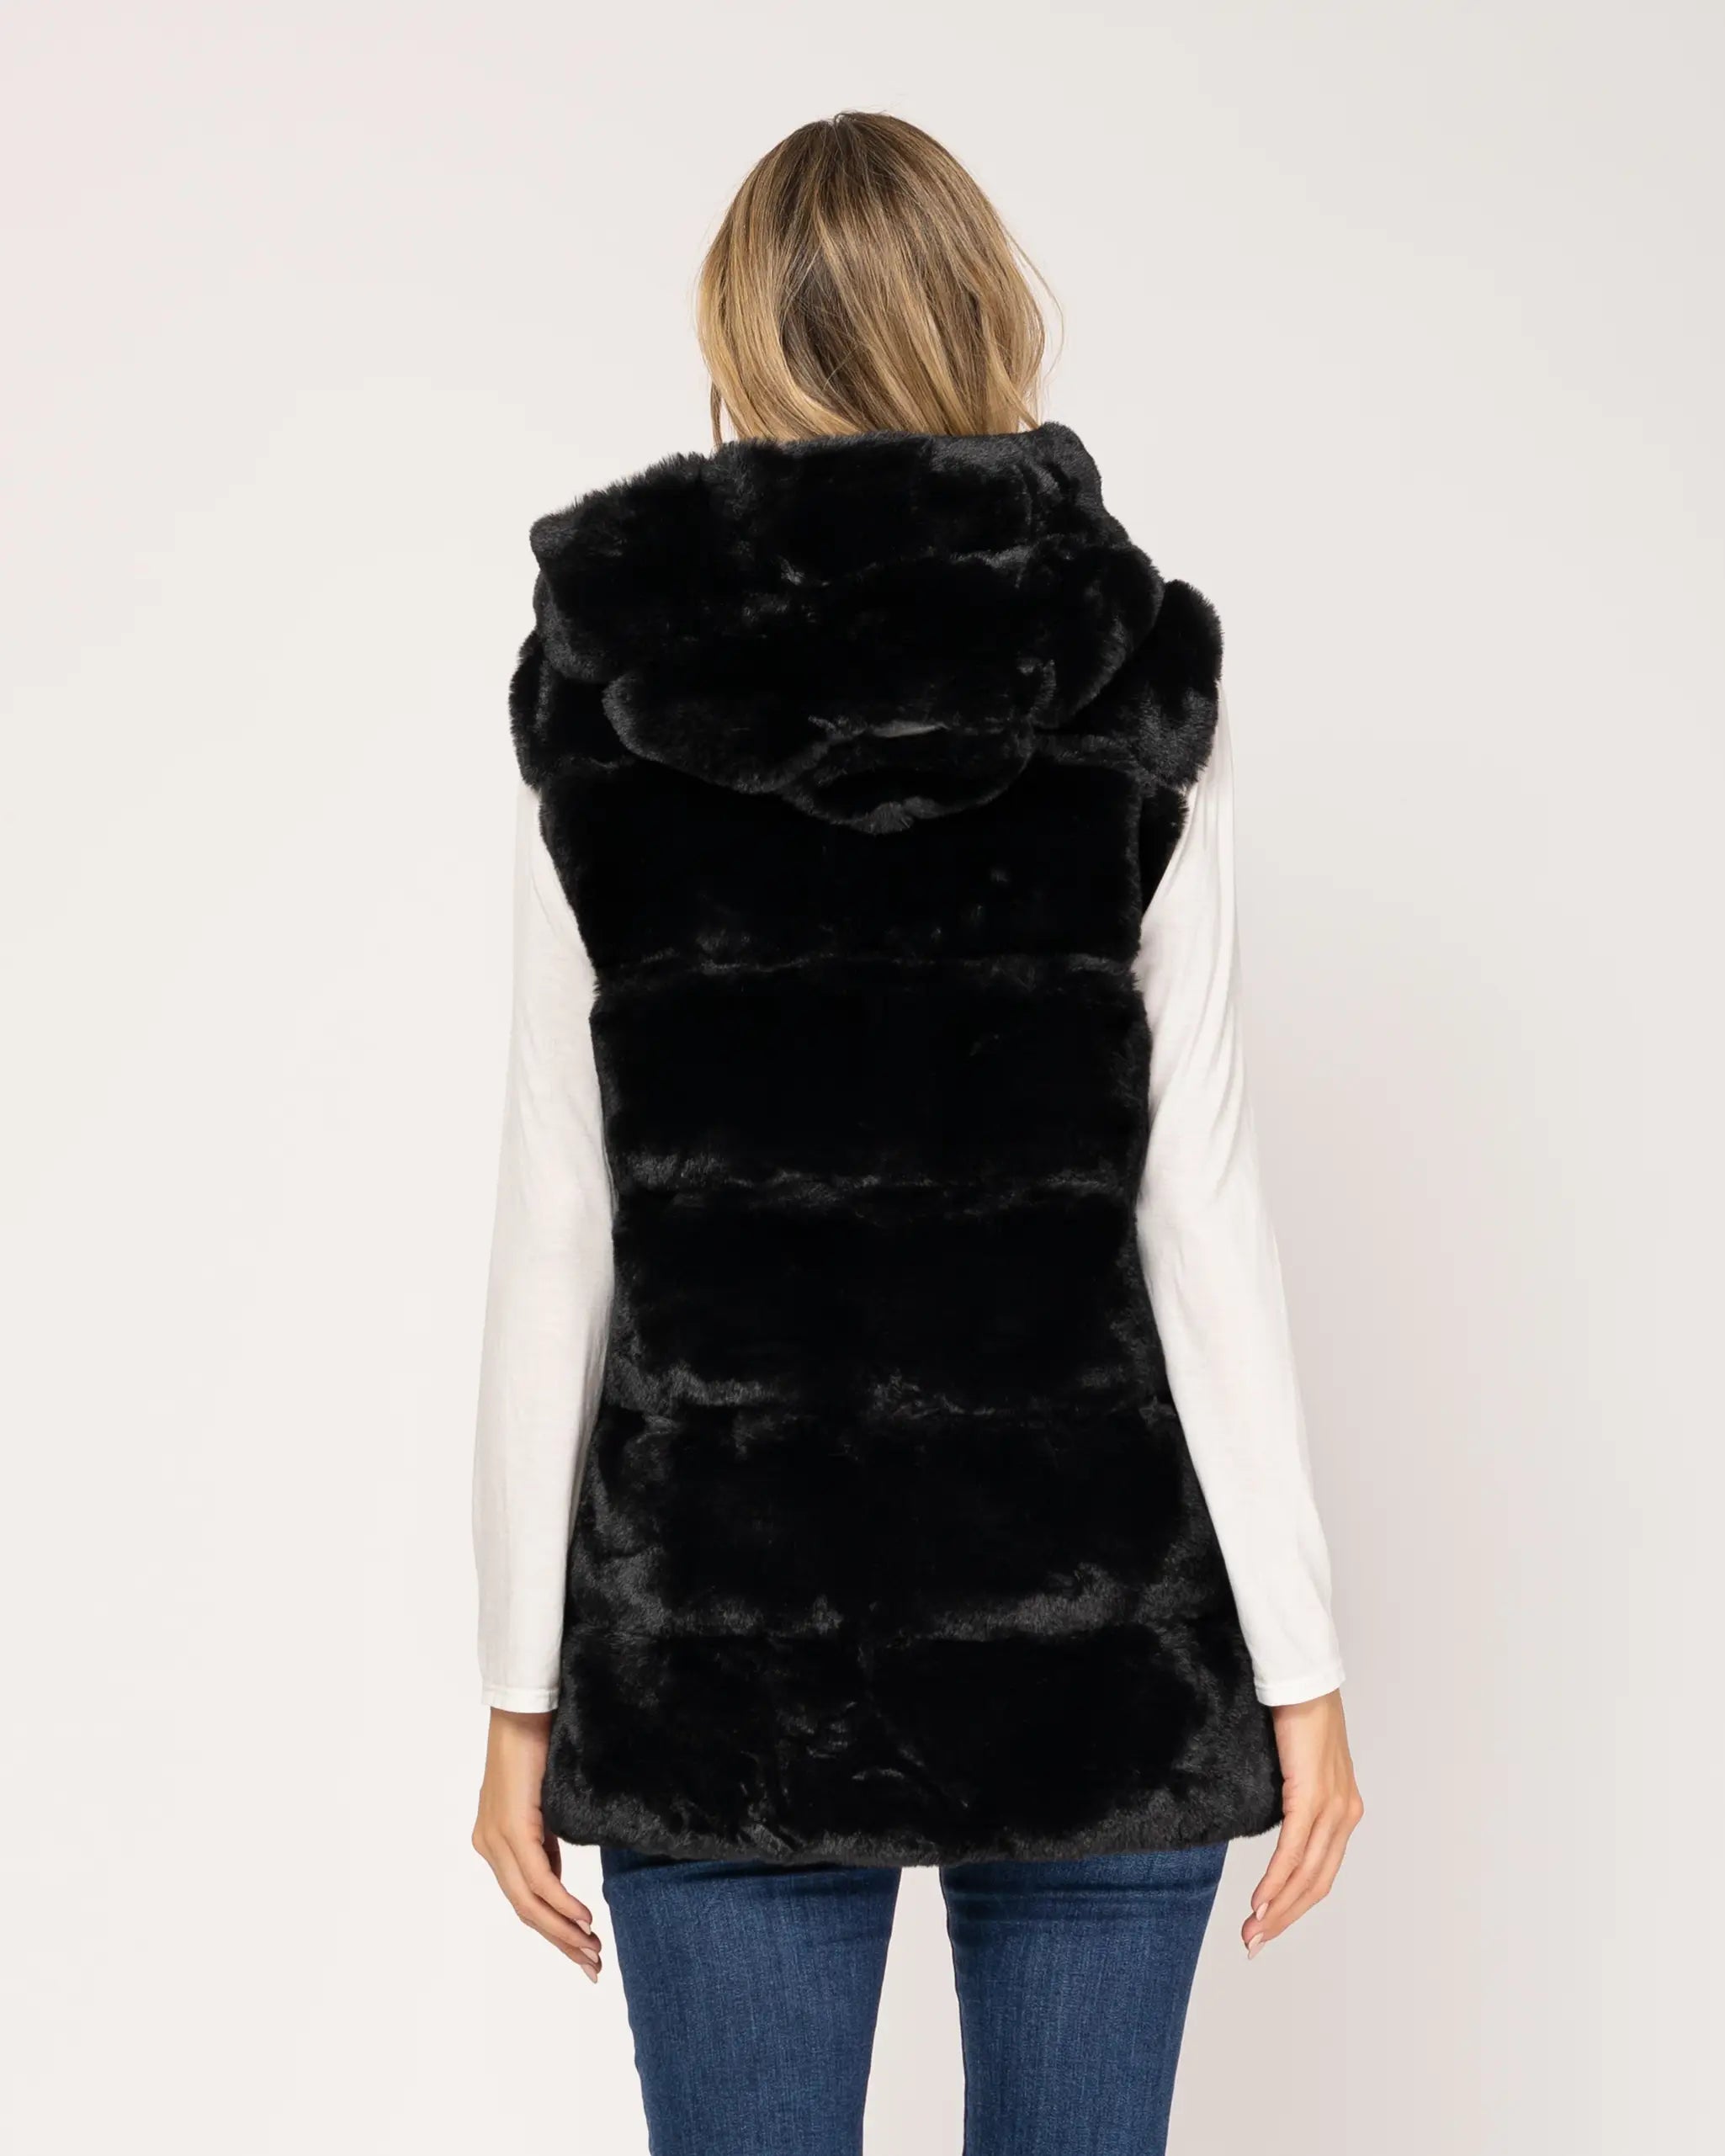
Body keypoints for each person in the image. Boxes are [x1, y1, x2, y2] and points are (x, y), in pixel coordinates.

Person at [470, 109, 1362, 2156]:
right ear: (985, 314)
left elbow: (557, 1220)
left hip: (719, 1640)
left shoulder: (602, 688)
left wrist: (521, 1686)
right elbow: (1196, 1199)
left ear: (735, 335)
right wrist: (1298, 1664)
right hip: (1085, 1625)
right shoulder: (1130, 671)